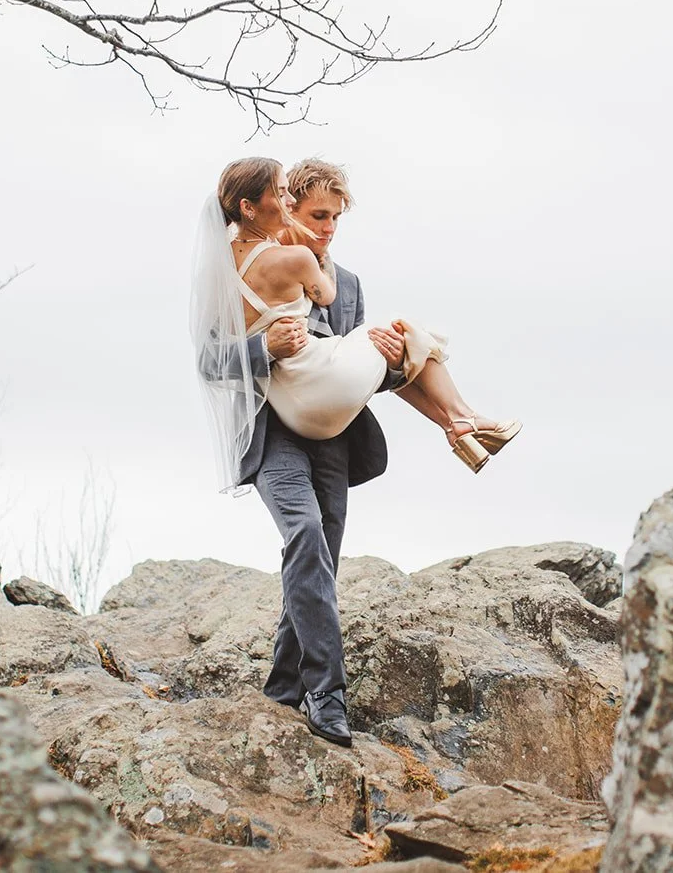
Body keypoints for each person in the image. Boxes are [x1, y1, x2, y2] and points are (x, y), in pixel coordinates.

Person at [190, 158, 518, 747]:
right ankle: (328, 693)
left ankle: (283, 689)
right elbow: (208, 360)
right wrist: (264, 347)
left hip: (334, 435)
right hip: (272, 431)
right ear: (289, 205)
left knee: (322, 556)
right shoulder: (235, 267)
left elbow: (350, 370)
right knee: (304, 534)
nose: (327, 228)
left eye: (336, 218)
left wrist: (387, 361)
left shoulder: (350, 283)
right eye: (317, 214)